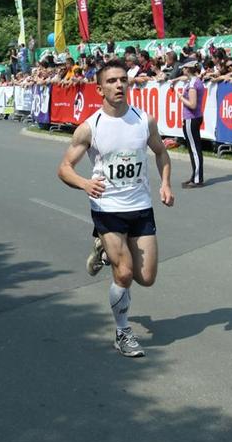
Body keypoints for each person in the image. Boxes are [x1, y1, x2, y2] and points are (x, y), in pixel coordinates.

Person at [57, 59, 174, 358]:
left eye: (123, 79)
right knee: (124, 274)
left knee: (146, 278)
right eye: (111, 81)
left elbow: (161, 152)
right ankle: (123, 332)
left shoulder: (144, 121)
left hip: (141, 206)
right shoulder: (90, 128)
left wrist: (165, 184)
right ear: (99, 89)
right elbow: (65, 168)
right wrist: (84, 184)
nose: (119, 85)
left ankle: (103, 249)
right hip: (107, 207)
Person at [177, 59, 206, 187]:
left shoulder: (193, 83)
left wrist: (181, 98)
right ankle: (195, 176)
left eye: (184, 68)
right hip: (194, 118)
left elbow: (192, 104)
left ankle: (197, 179)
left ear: (188, 69)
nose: (183, 70)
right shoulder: (194, 81)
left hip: (191, 118)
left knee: (194, 149)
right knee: (193, 148)